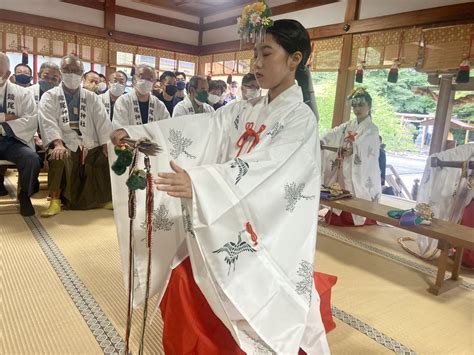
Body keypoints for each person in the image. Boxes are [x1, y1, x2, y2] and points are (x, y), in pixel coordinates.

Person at [110, 18, 330, 354]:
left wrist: (200, 184)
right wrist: (139, 138)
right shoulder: (247, 109)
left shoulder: (301, 118)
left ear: (295, 59)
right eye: (254, 54)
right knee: (182, 266)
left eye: (266, 54)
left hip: (267, 229)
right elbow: (202, 128)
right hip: (227, 213)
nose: (256, 63)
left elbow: (270, 172)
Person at [38, 54, 113, 217]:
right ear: (61, 71)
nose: (71, 73)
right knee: (57, 155)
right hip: (64, 141)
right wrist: (57, 143)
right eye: (67, 70)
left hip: (88, 140)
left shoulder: (91, 97)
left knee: (106, 155)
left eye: (76, 70)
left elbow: (102, 122)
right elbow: (47, 122)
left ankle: (105, 198)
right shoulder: (50, 96)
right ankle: (55, 200)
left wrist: (106, 145)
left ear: (82, 72)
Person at [321, 88, 381, 226]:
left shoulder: (372, 129)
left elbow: (367, 145)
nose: (357, 109)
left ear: (369, 106)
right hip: (346, 165)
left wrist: (354, 148)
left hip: (361, 169)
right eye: (354, 106)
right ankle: (340, 215)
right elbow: (334, 133)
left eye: (361, 105)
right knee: (343, 187)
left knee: (358, 190)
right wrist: (322, 140)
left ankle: (359, 217)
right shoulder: (349, 125)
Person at [0, 53, 40, 216]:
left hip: (13, 140)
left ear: (8, 74)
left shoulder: (23, 94)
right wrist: (6, 117)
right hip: (11, 131)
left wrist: (3, 128)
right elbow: (17, 117)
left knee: (31, 158)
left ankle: (25, 195)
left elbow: (30, 119)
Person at [112, 64, 170, 129]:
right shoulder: (123, 101)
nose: (145, 81)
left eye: (150, 79)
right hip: (130, 139)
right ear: (134, 79)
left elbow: (166, 127)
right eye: (142, 77)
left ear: (154, 83)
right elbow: (120, 129)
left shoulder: (159, 105)